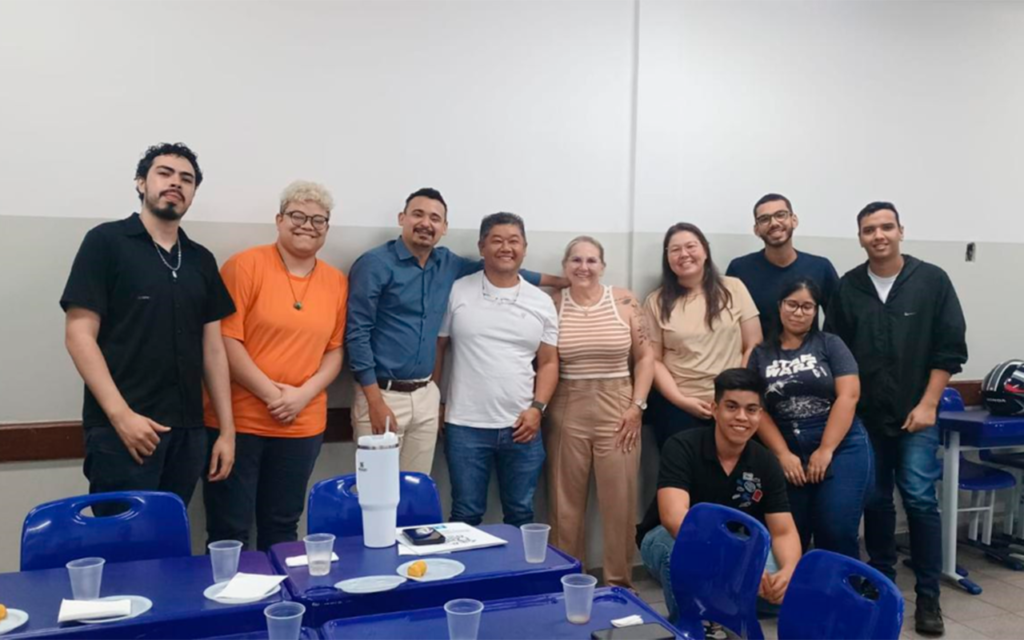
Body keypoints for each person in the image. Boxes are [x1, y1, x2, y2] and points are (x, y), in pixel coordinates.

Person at [61, 142, 236, 510]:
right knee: (122, 541)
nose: (176, 183)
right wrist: (121, 416)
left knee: (170, 538)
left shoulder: (201, 260)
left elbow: (213, 350)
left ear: (193, 193)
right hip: (121, 431)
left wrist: (226, 430)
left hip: (188, 432)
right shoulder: (105, 242)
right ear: (141, 182)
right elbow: (79, 335)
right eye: (164, 173)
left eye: (186, 179)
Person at [346, 189, 563, 474]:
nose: (426, 223)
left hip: (425, 395)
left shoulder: (446, 263)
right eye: (418, 214)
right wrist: (374, 402)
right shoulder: (375, 264)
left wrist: (563, 281)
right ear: (402, 218)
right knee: (377, 490)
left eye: (435, 218)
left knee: (417, 489)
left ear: (444, 227)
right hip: (381, 395)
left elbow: (499, 267)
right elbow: (357, 334)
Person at [826, 202, 968, 637]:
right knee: (875, 500)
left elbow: (949, 349)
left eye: (886, 226)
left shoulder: (931, 281)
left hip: (916, 415)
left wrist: (929, 404)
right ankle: (882, 584)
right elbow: (835, 352)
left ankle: (928, 596)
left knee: (920, 499)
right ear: (860, 237)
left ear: (901, 231)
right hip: (866, 419)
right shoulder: (848, 287)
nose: (879, 235)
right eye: (869, 229)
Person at [201, 181, 348, 551]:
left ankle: (279, 592)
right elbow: (226, 341)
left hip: (301, 424)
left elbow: (335, 351)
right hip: (239, 422)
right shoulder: (244, 266)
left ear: (327, 228)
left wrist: (302, 396)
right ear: (279, 220)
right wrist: (272, 395)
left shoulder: (336, 282)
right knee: (229, 530)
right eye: (297, 216)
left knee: (282, 528)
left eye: (318, 220)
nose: (307, 226)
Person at [636, 368, 801, 622]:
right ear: (715, 409)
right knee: (685, 556)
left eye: (751, 409)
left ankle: (725, 603)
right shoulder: (681, 446)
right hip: (667, 538)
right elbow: (674, 518)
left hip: (734, 542)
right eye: (732, 407)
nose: (742, 417)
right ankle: (692, 626)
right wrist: (733, 563)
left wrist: (789, 572)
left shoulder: (766, 461)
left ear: (760, 415)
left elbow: (783, 532)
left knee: (784, 587)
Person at [434, 212, 559, 527]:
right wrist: (436, 401)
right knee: (465, 515)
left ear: (524, 248)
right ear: (482, 247)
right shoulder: (458, 291)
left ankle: (519, 565)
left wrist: (537, 409)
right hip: (464, 424)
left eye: (514, 241)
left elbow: (548, 361)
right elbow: (438, 348)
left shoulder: (541, 301)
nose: (506, 248)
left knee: (521, 514)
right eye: (497, 240)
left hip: (523, 425)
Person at [544, 236, 654, 589]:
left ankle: (619, 585)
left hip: (619, 406)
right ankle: (568, 583)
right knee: (564, 505)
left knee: (619, 502)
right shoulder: (553, 303)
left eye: (591, 260)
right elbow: (545, 362)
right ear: (565, 266)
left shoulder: (624, 300)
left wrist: (637, 406)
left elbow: (646, 358)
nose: (584, 267)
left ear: (603, 266)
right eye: (576, 260)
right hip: (567, 404)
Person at [748, 278, 873, 560]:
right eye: (792, 304)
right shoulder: (760, 353)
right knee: (791, 533)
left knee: (835, 528)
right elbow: (758, 408)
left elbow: (849, 396)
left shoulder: (830, 344)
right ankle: (796, 587)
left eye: (807, 306)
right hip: (786, 446)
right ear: (780, 306)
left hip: (841, 445)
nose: (798, 312)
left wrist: (826, 449)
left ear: (816, 311)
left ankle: (842, 587)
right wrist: (782, 454)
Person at [644, 223, 762, 449]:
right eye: (675, 249)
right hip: (680, 406)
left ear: (705, 251)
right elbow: (653, 360)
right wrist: (681, 401)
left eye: (691, 246)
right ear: (667, 258)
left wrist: (737, 392)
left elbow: (754, 343)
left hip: (733, 404)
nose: (684, 254)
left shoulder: (734, 288)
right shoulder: (655, 302)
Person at [726, 193, 839, 336]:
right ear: (756, 229)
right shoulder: (739, 269)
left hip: (809, 350)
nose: (774, 223)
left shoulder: (821, 268)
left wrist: (824, 347)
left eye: (780, 215)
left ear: (794, 220)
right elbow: (728, 325)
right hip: (757, 349)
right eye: (764, 219)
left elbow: (838, 321)